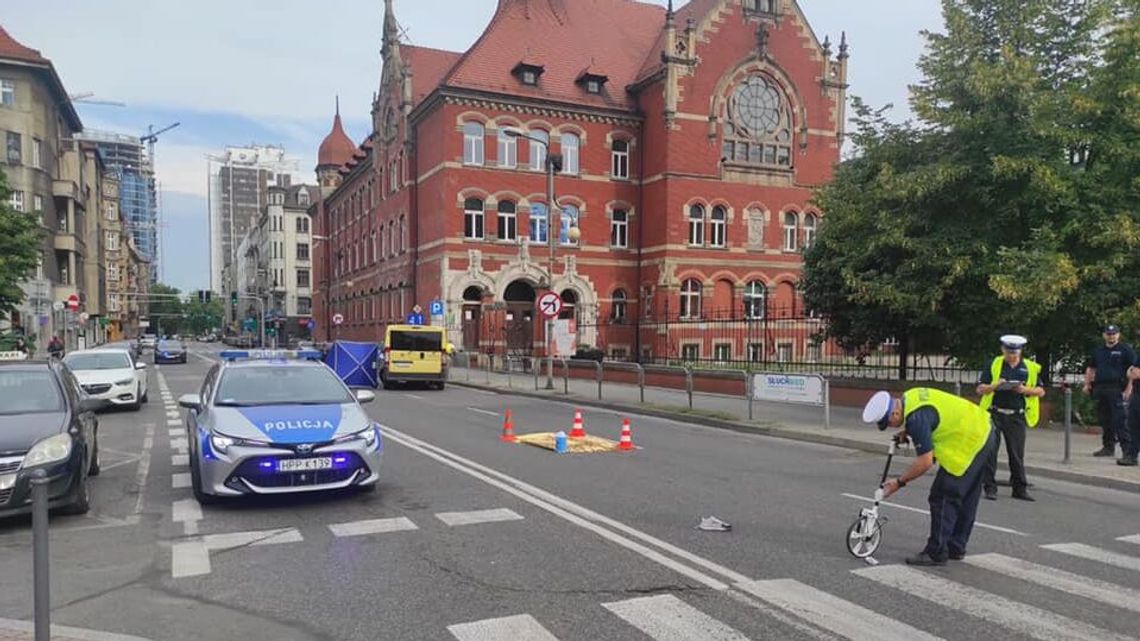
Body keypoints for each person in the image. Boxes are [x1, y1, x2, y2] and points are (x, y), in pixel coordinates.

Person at [862, 387, 997, 566]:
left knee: (943, 495)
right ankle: (956, 546)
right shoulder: (910, 396)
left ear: (895, 412)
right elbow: (934, 416)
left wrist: (899, 482)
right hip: (985, 429)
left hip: (968, 443)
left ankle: (936, 552)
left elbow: (925, 462)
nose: (892, 427)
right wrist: (910, 432)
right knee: (967, 496)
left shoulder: (916, 418)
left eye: (889, 423)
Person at [977, 335, 1043, 501]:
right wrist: (995, 386)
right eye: (1008, 352)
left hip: (1017, 416)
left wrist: (1024, 390)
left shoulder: (1029, 367)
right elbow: (980, 389)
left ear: (1020, 351)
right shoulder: (994, 364)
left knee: (1016, 454)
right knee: (991, 452)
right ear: (1003, 350)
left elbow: (1041, 391)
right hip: (995, 413)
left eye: (1014, 353)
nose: (1011, 356)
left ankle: (1019, 488)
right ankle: (990, 488)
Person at [1084, 325, 1135, 457]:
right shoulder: (1098, 351)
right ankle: (1108, 447)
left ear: (1118, 335)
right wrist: (1087, 384)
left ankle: (1127, 451)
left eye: (1114, 334)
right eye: (1109, 333)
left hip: (1117, 388)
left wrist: (1129, 388)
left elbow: (1133, 370)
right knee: (1105, 420)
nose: (1111, 336)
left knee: (1120, 421)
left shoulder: (1125, 350)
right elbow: (1091, 368)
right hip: (1101, 388)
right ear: (1104, 335)